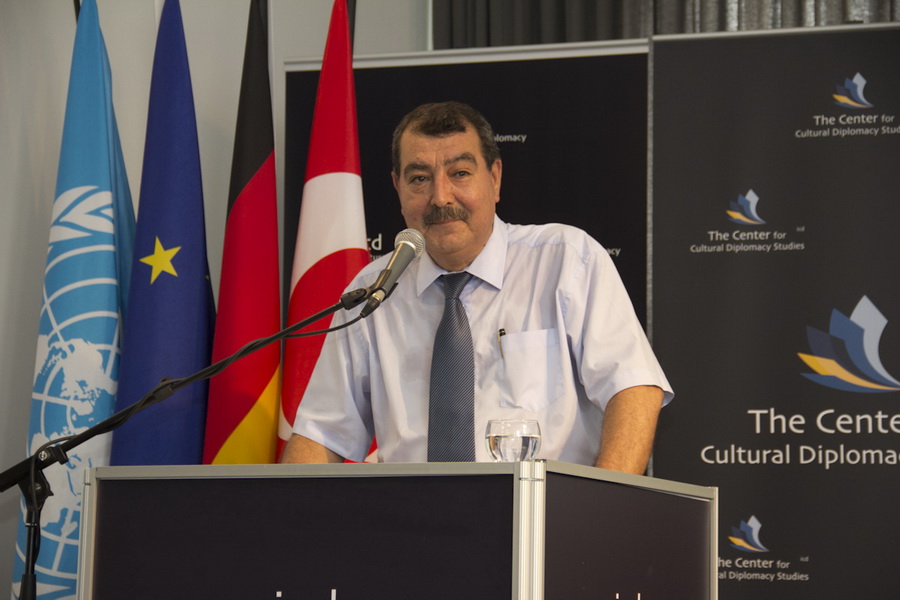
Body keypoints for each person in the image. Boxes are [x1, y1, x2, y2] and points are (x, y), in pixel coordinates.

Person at [281, 101, 672, 474]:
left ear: (495, 178)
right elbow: (321, 436)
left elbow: (634, 388)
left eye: (460, 173)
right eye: (419, 179)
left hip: (547, 514)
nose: (440, 197)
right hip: (411, 516)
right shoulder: (375, 290)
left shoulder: (565, 260)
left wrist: (599, 508)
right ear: (398, 187)